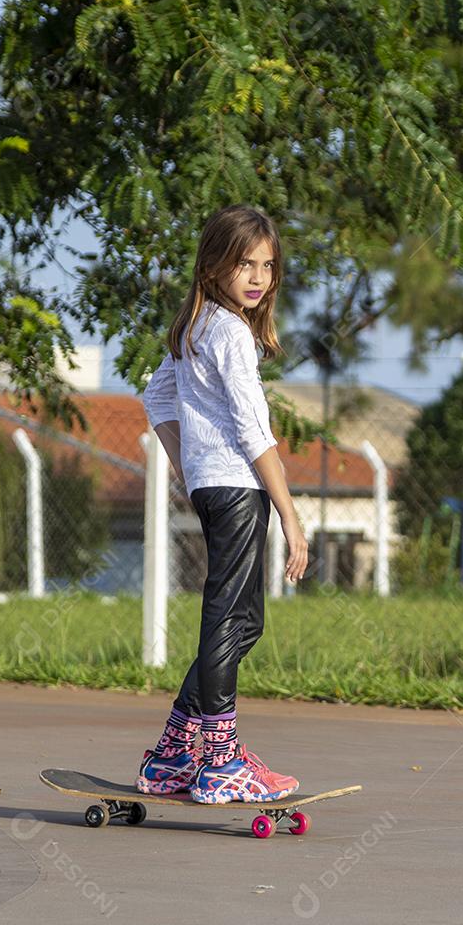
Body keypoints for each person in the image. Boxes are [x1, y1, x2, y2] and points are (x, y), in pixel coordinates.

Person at [137, 204, 309, 804]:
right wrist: (289, 513)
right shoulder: (229, 332)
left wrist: (189, 466)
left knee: (241, 621)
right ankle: (219, 759)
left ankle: (172, 755)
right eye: (245, 264)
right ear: (214, 266)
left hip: (215, 484)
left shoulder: (197, 325)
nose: (259, 278)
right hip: (237, 487)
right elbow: (252, 428)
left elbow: (156, 396)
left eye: (267, 266)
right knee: (230, 620)